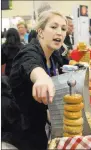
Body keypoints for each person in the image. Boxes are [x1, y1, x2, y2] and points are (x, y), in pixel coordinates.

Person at [9, 10, 67, 150]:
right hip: (21, 132)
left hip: (41, 124)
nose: (60, 32)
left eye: (63, 28)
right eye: (53, 27)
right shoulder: (29, 52)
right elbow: (31, 64)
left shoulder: (54, 55)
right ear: (40, 31)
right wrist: (41, 78)